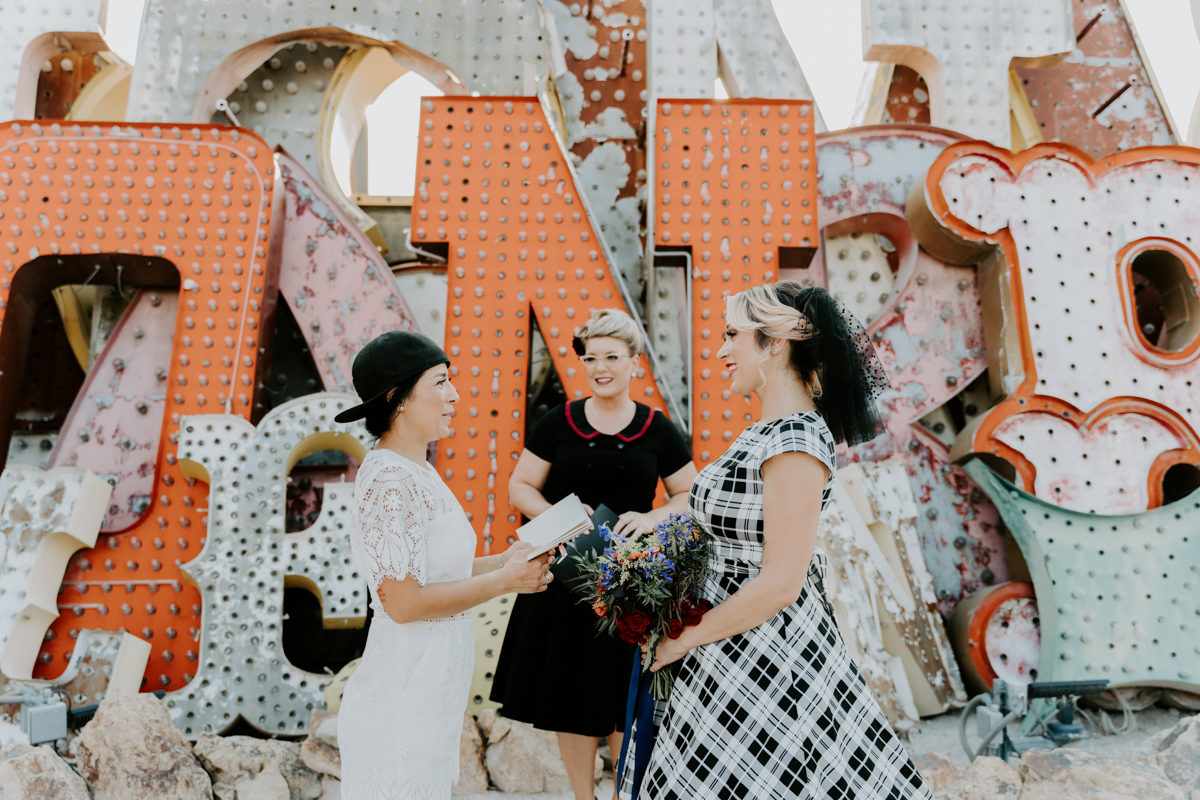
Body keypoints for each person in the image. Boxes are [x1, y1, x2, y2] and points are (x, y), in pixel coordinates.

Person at [621, 283, 931, 799]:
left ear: (774, 344)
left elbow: (782, 583)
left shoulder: (795, 443)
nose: (721, 351)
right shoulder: (764, 431)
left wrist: (683, 639)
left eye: (732, 335)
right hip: (726, 646)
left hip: (766, 659)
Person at [334, 330, 554, 800]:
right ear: (397, 399)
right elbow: (404, 603)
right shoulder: (389, 481)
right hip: (402, 695)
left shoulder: (419, 470)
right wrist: (505, 580)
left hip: (430, 690)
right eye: (440, 382)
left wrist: (504, 561)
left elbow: (437, 571)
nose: (454, 394)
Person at [490, 309, 698, 800]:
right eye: (590, 358)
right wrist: (561, 516)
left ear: (634, 362)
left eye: (611, 357)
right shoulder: (556, 423)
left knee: (623, 697)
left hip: (634, 587)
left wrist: (651, 518)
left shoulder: (657, 428)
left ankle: (627, 794)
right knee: (571, 700)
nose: (600, 367)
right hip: (566, 587)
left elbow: (689, 496)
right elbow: (519, 486)